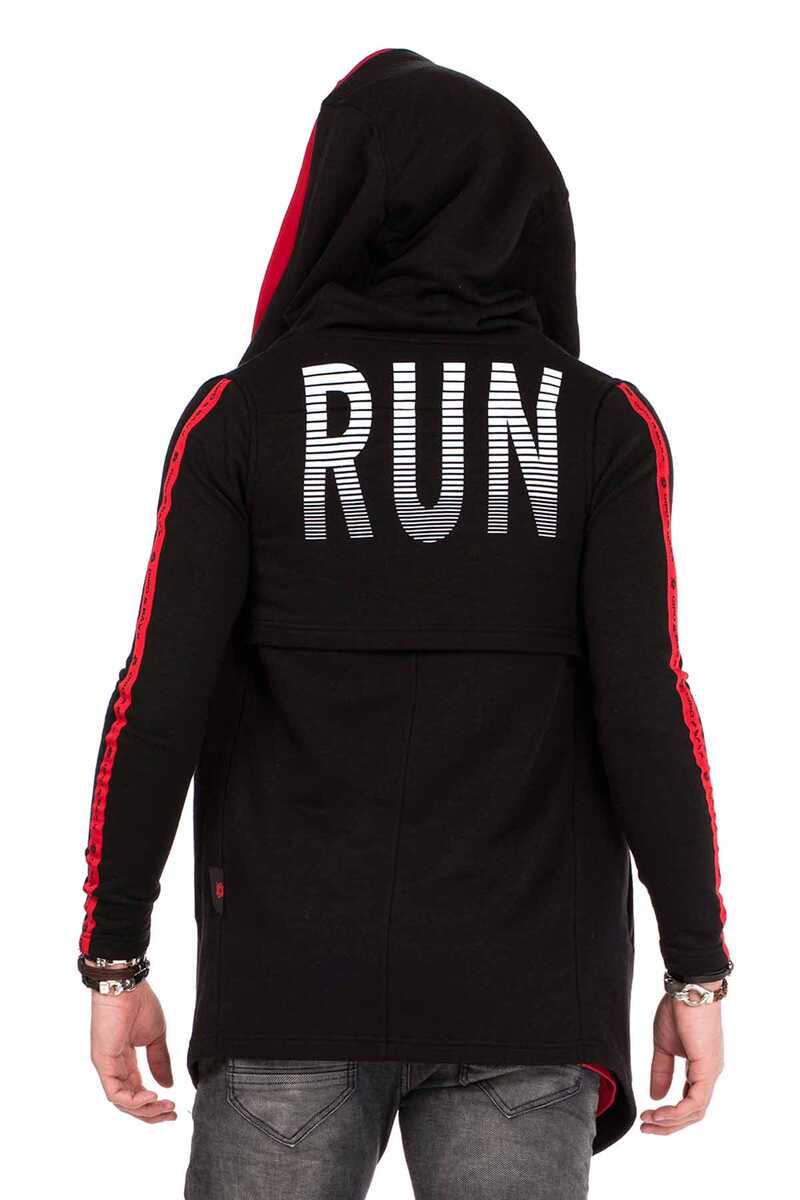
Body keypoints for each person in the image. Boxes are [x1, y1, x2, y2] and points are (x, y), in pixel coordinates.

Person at [78, 49, 732, 1200]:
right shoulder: (599, 426)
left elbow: (158, 696)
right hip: (527, 989)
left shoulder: (243, 416)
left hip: (287, 987)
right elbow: (645, 706)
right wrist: (694, 968)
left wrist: (114, 956)